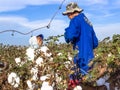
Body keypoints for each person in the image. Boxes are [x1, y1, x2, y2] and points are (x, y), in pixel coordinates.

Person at [62, 2, 98, 75]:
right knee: (90, 78)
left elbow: (69, 36)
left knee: (81, 80)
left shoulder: (75, 20)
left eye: (68, 14)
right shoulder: (88, 22)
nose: (68, 17)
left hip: (81, 57)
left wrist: (66, 34)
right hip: (90, 57)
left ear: (71, 13)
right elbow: (95, 43)